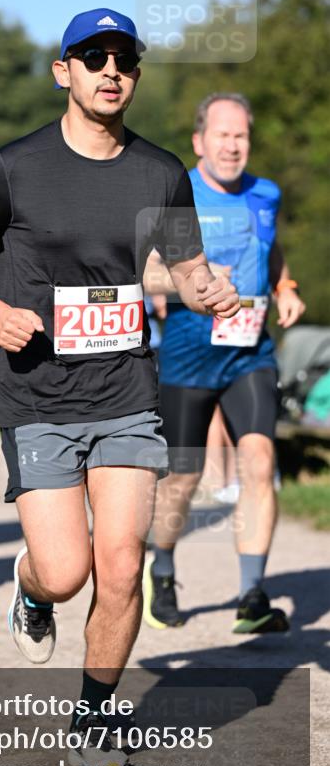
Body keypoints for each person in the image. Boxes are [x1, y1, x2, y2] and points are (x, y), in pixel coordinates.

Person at [0, 8, 238, 766]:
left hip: (126, 389)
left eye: (123, 60)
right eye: (92, 57)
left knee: (121, 562)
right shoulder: (14, 166)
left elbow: (179, 268)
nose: (110, 71)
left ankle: (95, 713)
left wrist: (210, 290)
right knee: (65, 571)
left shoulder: (160, 171)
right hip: (36, 395)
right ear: (62, 70)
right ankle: (32, 592)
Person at [143, 93, 306, 634]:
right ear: (199, 142)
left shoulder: (266, 193)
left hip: (251, 352)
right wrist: (197, 278)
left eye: (241, 136)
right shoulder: (176, 192)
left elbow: (271, 246)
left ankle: (252, 595)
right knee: (182, 480)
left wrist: (284, 285)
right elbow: (144, 272)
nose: (233, 145)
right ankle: (162, 570)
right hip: (189, 353)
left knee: (259, 463)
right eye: (222, 135)